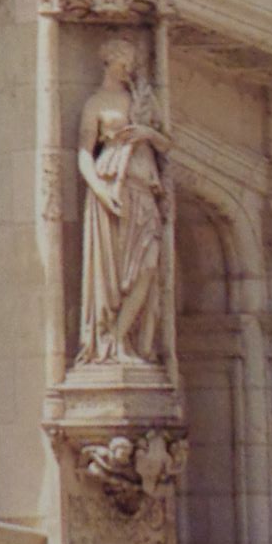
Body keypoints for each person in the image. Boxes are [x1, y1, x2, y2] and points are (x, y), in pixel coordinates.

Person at [75, 36, 172, 368]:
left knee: (147, 267)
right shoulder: (96, 103)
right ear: (110, 61)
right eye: (123, 59)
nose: (128, 66)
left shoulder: (143, 99)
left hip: (145, 191)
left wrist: (147, 134)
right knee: (115, 277)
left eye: (131, 59)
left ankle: (123, 335)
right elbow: (84, 154)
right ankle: (111, 343)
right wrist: (100, 192)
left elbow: (166, 143)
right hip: (114, 190)